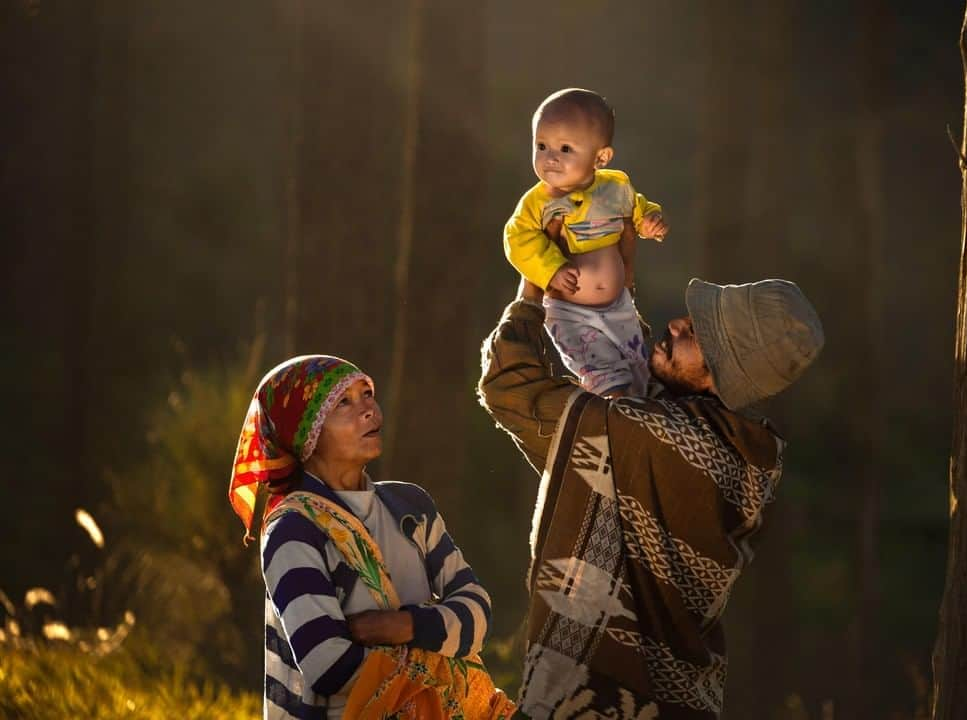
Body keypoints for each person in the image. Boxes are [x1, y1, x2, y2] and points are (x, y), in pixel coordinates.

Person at [477, 277, 824, 718]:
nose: (677, 325)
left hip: (596, 701)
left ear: (722, 371)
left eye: (697, 334)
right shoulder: (755, 458)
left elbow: (509, 389)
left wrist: (528, 294)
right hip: (686, 703)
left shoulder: (643, 434)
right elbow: (637, 379)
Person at [228, 355, 514, 720]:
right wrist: (440, 636)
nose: (368, 410)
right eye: (343, 403)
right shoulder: (293, 531)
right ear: (303, 431)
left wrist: (400, 626)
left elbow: (478, 614)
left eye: (366, 393)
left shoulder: (410, 505)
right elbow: (330, 665)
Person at [503, 88, 669, 397]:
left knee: (641, 372)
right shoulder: (537, 202)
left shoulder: (615, 187)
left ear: (601, 157)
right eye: (541, 146)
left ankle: (643, 419)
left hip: (620, 307)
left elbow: (637, 208)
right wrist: (550, 268)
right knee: (607, 378)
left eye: (565, 148)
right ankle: (615, 415)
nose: (549, 157)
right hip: (571, 313)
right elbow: (517, 238)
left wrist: (649, 221)